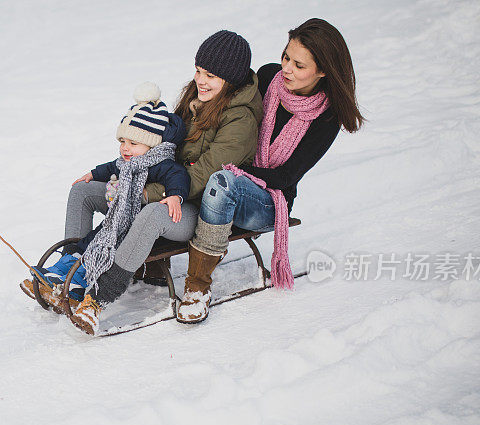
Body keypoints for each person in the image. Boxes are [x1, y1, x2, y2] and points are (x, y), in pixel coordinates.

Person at [45, 30, 264, 335]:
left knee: (151, 214)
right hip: (159, 188)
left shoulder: (240, 121)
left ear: (232, 79)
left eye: (210, 75)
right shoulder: (195, 98)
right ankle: (70, 270)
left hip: (195, 210)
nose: (200, 79)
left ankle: (99, 296)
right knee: (83, 192)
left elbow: (201, 174)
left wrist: (144, 192)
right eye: (198, 70)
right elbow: (163, 145)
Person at [176, 18, 365, 323]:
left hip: (268, 202)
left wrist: (234, 166)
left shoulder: (326, 118)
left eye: (299, 65)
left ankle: (198, 287)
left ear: (322, 71)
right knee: (207, 178)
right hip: (222, 175)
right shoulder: (266, 77)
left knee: (223, 181)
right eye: (285, 57)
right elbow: (225, 105)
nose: (287, 69)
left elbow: (286, 176)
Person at [20, 82, 190, 314]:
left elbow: (177, 175)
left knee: (102, 246)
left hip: (135, 226)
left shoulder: (160, 163)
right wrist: (93, 173)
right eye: (122, 142)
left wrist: (174, 196)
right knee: (93, 239)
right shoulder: (127, 162)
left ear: (151, 145)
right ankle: (61, 271)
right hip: (119, 220)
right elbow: (112, 166)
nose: (125, 149)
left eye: (133, 143)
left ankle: (78, 282)